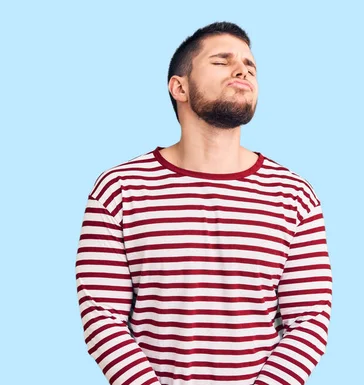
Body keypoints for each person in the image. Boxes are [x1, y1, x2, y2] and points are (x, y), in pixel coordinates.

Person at [74, 21, 333, 385]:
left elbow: (309, 319)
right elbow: (102, 316)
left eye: (249, 65)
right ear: (179, 87)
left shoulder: (295, 196)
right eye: (221, 61)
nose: (242, 69)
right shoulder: (118, 190)